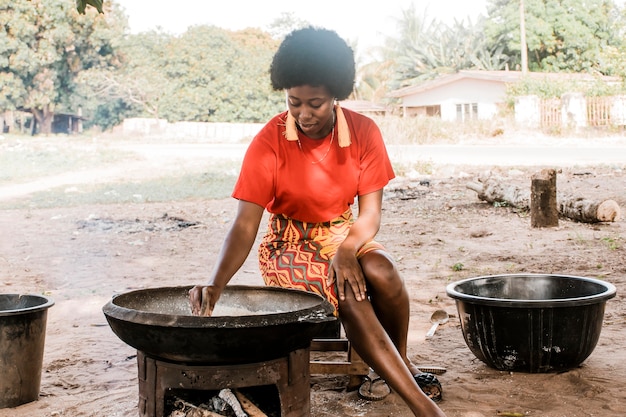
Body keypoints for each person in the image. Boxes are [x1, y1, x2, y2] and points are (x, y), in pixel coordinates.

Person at [189, 26, 447, 417]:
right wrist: (215, 282)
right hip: (287, 245)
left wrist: (346, 250)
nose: (304, 114)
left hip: (344, 234)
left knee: (382, 270)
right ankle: (425, 408)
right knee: (349, 289)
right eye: (294, 102)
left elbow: (370, 215)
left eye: (316, 103)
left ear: (336, 96)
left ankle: (399, 365)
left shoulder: (363, 132)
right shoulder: (269, 141)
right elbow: (244, 225)